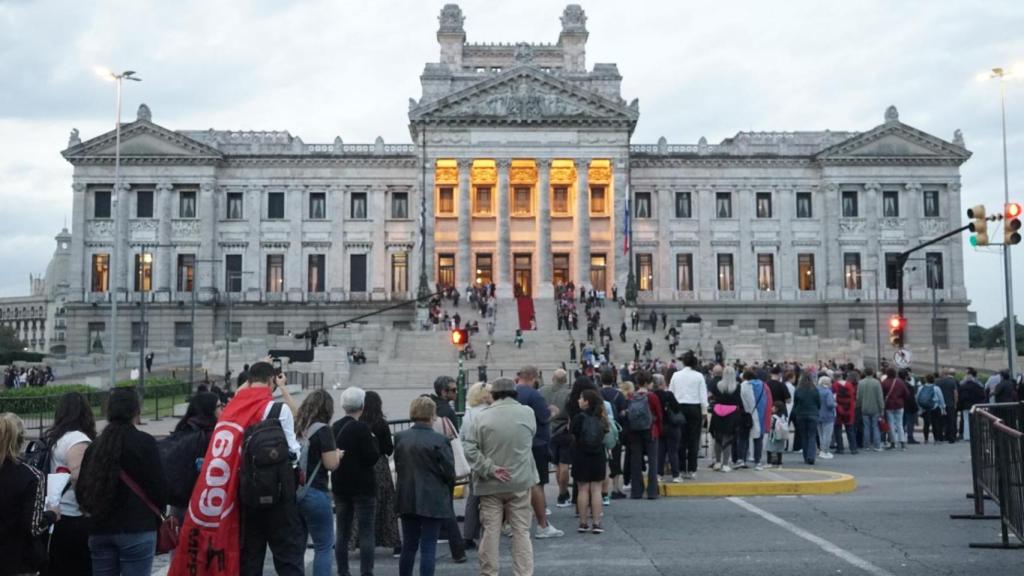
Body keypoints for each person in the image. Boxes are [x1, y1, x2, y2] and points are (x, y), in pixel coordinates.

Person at [168, 361, 302, 576]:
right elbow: (294, 452)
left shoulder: (232, 409)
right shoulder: (278, 408)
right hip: (279, 495)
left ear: (249, 382)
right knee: (288, 557)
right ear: (271, 382)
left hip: (247, 495)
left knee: (250, 558)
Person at [77, 388, 167, 576]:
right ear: (136, 411)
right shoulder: (144, 443)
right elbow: (159, 487)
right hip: (137, 526)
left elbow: (82, 490)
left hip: (100, 527)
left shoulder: (95, 447)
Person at [463, 377, 539, 576]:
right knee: (521, 531)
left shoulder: (480, 417)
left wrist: (490, 468)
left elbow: (469, 449)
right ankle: (523, 572)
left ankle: (489, 572)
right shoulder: (527, 413)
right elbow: (530, 436)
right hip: (520, 479)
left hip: (490, 483)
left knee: (490, 531)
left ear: (493, 394)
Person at [394, 397, 456, 576]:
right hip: (432, 496)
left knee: (409, 545)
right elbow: (448, 472)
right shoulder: (439, 440)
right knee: (428, 547)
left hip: (407, 495)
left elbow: (399, 465)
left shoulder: (400, 437)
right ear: (432, 415)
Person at [43, 392, 97, 576]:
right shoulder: (77, 439)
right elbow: (79, 477)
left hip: (56, 515)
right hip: (74, 516)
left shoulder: (57, 438)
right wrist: (89, 508)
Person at [1, 412, 60, 576]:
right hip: (18, 560)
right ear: (21, 440)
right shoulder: (32, 476)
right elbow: (33, 527)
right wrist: (52, 515)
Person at [332, 387, 381, 576]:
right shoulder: (362, 428)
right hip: (363, 486)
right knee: (366, 531)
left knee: (342, 532)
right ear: (362, 406)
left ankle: (343, 572)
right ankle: (366, 572)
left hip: (341, 485)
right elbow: (371, 457)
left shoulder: (335, 427)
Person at [295, 390, 342, 576]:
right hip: (315, 492)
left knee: (297, 547)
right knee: (323, 546)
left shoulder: (298, 428)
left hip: (296, 492)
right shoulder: (323, 430)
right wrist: (338, 455)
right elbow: (331, 464)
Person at [515, 366, 563, 539]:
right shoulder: (534, 395)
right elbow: (544, 417)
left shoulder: (512, 392)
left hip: (517, 443)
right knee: (538, 483)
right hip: (537, 443)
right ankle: (543, 525)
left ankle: (512, 524)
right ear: (534, 378)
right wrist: (554, 412)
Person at [351, 391, 401, 558]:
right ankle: (392, 540)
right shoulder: (381, 424)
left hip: (361, 466)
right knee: (386, 504)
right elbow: (388, 449)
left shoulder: (357, 423)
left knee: (361, 506)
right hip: (380, 466)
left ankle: (358, 541)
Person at [164, 392, 219, 524]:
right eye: (219, 406)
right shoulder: (211, 435)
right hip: (202, 504)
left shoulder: (182, 429)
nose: (223, 409)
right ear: (209, 410)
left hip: (178, 504)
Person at [570, 389, 609, 533]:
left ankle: (583, 522)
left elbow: (572, 433)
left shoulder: (578, 417)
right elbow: (606, 433)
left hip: (581, 454)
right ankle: (597, 523)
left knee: (582, 489)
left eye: (581, 398)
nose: (578, 400)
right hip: (598, 454)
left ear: (586, 401)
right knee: (597, 489)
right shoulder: (601, 417)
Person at [460, 382, 493, 548]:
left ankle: (468, 534)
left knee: (473, 497)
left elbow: (463, 437)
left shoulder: (468, 414)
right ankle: (490, 531)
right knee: (490, 498)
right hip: (488, 458)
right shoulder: (488, 413)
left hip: (473, 460)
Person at [669, 352, 709, 479]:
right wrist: (704, 412)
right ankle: (692, 469)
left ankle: (681, 468)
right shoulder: (699, 376)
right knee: (693, 440)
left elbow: (671, 393)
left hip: (680, 407)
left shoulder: (676, 375)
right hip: (694, 408)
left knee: (680, 440)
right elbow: (703, 395)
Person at [539, 369, 573, 509]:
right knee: (564, 465)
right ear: (565, 380)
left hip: (548, 429)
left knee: (556, 465)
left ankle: (562, 493)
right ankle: (562, 493)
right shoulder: (569, 393)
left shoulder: (542, 391)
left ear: (552, 378)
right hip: (564, 429)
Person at [625, 372, 661, 499]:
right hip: (651, 430)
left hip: (634, 431)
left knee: (636, 461)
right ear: (646, 383)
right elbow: (659, 415)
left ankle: (636, 491)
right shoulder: (652, 397)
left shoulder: (631, 396)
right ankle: (652, 491)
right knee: (652, 461)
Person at [599, 369, 628, 499]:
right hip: (615, 430)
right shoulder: (619, 395)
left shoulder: (597, 394)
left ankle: (601, 489)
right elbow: (623, 413)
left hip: (600, 430)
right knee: (615, 459)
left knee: (602, 460)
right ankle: (616, 488)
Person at [709, 365, 742, 471]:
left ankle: (717, 462)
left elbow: (712, 397)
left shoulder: (717, 385)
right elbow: (739, 402)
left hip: (718, 413)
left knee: (718, 438)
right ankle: (725, 464)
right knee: (728, 440)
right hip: (731, 414)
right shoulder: (737, 386)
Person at [652, 373, 683, 482]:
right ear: (661, 384)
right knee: (673, 451)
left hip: (659, 426)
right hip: (671, 425)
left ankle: (659, 474)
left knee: (660, 451)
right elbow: (677, 408)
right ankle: (676, 475)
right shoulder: (669, 395)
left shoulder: (652, 395)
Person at [791, 374, 822, 465]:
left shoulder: (798, 390)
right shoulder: (815, 390)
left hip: (801, 414)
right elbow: (819, 403)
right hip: (813, 414)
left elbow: (795, 403)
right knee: (812, 436)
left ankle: (805, 457)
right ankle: (811, 456)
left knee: (804, 436)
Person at [856, 367, 885, 452]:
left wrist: (860, 405)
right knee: (875, 426)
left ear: (864, 373)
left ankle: (866, 446)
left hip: (864, 407)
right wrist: (882, 408)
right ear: (872, 373)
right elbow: (880, 397)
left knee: (866, 427)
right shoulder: (877, 383)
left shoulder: (860, 383)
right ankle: (877, 445)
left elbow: (858, 397)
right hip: (875, 407)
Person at [881, 368, 910, 451]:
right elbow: (907, 394)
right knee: (900, 424)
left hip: (889, 405)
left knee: (891, 425)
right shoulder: (900, 382)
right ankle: (902, 443)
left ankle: (893, 443)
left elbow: (881, 394)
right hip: (899, 405)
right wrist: (902, 400)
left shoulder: (884, 383)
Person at [832, 371, 858, 455]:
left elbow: (833, 397)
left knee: (838, 429)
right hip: (849, 409)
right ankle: (853, 448)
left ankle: (840, 448)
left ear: (835, 377)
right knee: (850, 429)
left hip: (838, 409)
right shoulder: (849, 385)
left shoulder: (834, 385)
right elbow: (853, 397)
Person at [917, 374, 947, 443]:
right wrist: (943, 407)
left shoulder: (921, 388)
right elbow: (941, 398)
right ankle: (936, 439)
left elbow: (917, 398)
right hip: (935, 407)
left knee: (926, 424)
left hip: (925, 408)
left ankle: (926, 439)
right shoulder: (936, 388)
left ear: (926, 380)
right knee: (935, 424)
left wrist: (920, 408)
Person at [958, 368, 986, 441]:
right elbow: (982, 395)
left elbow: (960, 396)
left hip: (965, 406)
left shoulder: (962, 386)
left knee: (966, 421)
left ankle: (967, 436)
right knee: (975, 421)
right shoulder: (978, 385)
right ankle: (976, 435)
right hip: (975, 405)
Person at [935, 368, 960, 444]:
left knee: (940, 421)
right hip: (950, 404)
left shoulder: (938, 382)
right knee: (951, 421)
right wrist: (956, 403)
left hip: (940, 405)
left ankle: (940, 437)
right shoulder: (952, 381)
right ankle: (951, 438)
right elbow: (955, 393)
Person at [816, 376, 837, 459]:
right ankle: (825, 451)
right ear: (827, 383)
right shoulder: (828, 392)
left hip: (818, 415)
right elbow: (830, 404)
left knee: (821, 435)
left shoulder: (817, 390)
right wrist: (835, 404)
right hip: (828, 415)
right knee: (827, 435)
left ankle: (822, 450)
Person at [765, 402, 789, 468]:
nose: (772, 408)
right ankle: (779, 463)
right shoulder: (783, 416)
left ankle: (769, 463)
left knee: (769, 448)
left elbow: (771, 426)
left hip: (773, 435)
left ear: (777, 409)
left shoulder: (773, 416)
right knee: (779, 450)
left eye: (773, 407)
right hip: (781, 435)